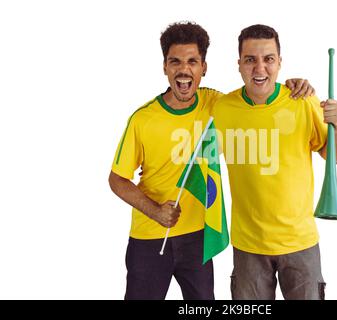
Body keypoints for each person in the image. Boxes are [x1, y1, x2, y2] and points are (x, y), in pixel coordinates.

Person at [108, 21, 316, 300]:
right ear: (165, 67)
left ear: (203, 68)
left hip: (198, 237)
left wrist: (296, 85)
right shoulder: (143, 119)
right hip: (150, 238)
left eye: (192, 61)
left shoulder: (217, 105)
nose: (184, 70)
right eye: (175, 62)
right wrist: (155, 211)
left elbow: (256, 97)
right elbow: (117, 179)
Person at [213, 24, 337, 300]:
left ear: (280, 62)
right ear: (238, 64)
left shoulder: (302, 100)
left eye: (268, 59)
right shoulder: (221, 108)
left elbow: (332, 156)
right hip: (248, 246)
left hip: (300, 242)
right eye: (250, 59)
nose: (259, 68)